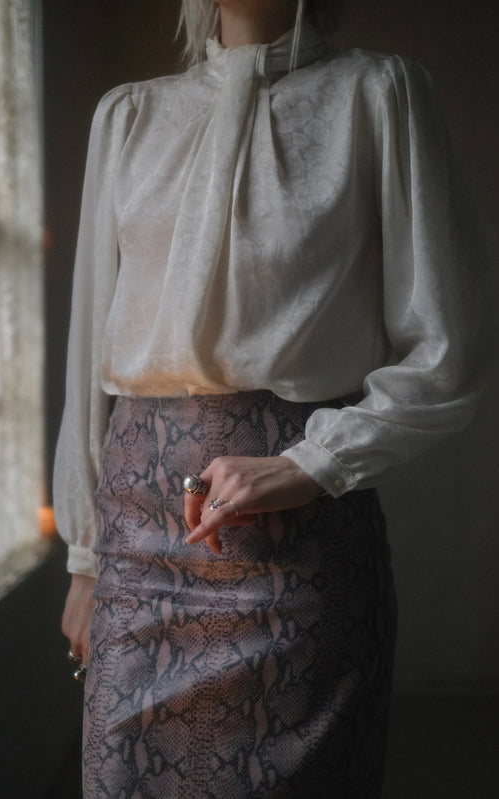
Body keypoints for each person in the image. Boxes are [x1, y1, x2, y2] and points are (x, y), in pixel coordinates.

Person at [54, 0, 484, 796]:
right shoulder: (128, 115)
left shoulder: (379, 94)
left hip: (300, 557)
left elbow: (445, 350)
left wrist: (311, 462)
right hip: (135, 550)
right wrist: (85, 559)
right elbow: (90, 353)